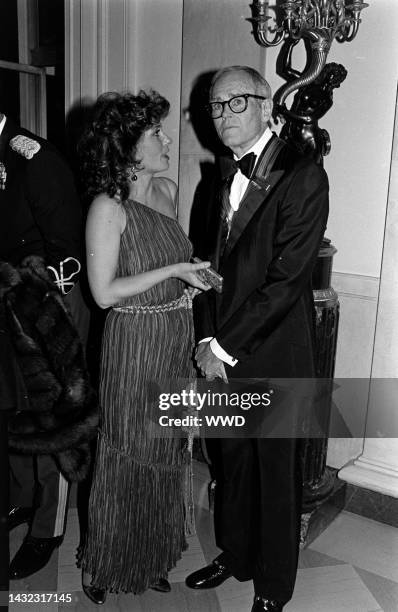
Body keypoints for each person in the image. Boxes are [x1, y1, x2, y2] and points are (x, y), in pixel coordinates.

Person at [185, 66, 329, 612]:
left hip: (274, 354)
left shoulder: (303, 175)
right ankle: (235, 555)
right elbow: (207, 270)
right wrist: (205, 339)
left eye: (234, 103)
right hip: (221, 354)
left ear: (267, 106)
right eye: (214, 106)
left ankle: (272, 588)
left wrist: (220, 347)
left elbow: (287, 280)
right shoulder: (214, 179)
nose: (222, 116)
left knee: (275, 476)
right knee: (233, 464)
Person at [78, 90, 210, 604]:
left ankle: (149, 555)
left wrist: (191, 274)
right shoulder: (107, 207)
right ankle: (105, 562)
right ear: (127, 147)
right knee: (127, 450)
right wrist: (175, 270)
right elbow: (105, 293)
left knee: (167, 450)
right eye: (155, 132)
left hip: (174, 336)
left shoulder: (169, 190)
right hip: (133, 343)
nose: (166, 138)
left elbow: (171, 257)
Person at [0, 111, 90, 580]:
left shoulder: (33, 157)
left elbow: (67, 250)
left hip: (44, 306)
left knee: (50, 416)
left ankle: (46, 527)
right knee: (13, 408)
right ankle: (22, 498)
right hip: (8, 304)